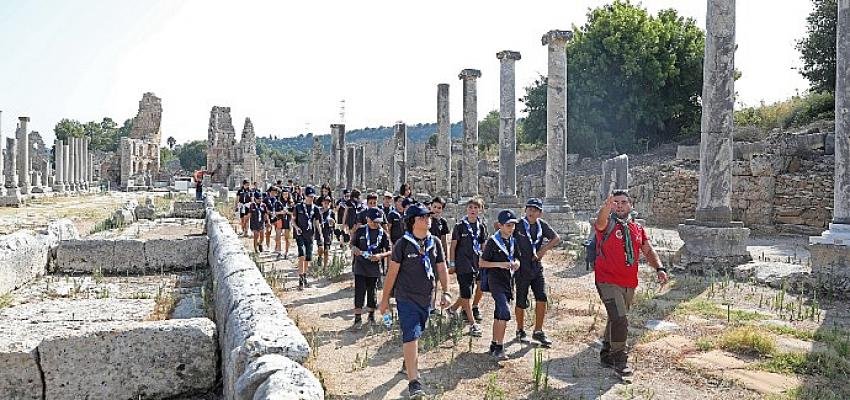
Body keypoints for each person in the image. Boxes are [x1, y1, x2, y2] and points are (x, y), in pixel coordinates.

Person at [379, 203, 451, 399]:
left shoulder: (434, 242)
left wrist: (447, 292)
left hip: (427, 299)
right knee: (410, 334)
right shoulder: (403, 244)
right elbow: (392, 273)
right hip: (406, 298)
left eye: (428, 216)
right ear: (412, 221)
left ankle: (407, 362)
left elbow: (442, 268)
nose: (427, 219)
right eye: (422, 217)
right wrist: (384, 300)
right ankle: (414, 382)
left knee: (417, 334)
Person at [594, 190, 668, 377]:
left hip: (629, 282)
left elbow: (648, 250)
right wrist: (605, 207)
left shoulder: (637, 228)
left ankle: (606, 352)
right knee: (620, 319)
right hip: (607, 280)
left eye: (623, 202)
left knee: (615, 317)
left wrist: (659, 268)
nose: (619, 205)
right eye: (616, 202)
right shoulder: (607, 224)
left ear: (631, 205)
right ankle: (620, 359)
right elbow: (600, 222)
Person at [513, 198, 561, 346]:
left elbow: (556, 238)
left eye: (535, 210)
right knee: (521, 299)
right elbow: (502, 231)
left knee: (542, 297)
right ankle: (520, 330)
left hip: (536, 267)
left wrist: (542, 251)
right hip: (522, 268)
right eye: (529, 209)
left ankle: (538, 331)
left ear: (540, 213)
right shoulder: (518, 225)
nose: (531, 212)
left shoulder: (542, 225)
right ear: (525, 210)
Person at [479, 209, 522, 360]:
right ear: (500, 226)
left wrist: (516, 263)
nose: (511, 228)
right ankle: (500, 347)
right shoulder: (493, 241)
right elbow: (482, 262)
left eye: (513, 225)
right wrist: (500, 264)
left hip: (508, 281)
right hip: (495, 280)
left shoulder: (512, 241)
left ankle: (493, 344)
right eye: (508, 225)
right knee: (504, 312)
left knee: (498, 313)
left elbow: (517, 257)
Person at [447, 198, 487, 337]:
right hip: (463, 264)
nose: (473, 210)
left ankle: (452, 309)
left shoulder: (481, 227)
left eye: (476, 208)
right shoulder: (460, 226)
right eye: (470, 207)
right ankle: (472, 324)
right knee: (466, 293)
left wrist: (485, 260)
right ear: (467, 209)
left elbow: (483, 245)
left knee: (475, 289)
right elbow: (453, 246)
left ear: (480, 210)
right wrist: (452, 263)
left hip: (477, 263)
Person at [350, 207, 391, 328]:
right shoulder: (361, 230)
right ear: (367, 219)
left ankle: (371, 316)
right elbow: (352, 244)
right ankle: (357, 318)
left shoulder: (383, 233)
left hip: (374, 267)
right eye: (373, 221)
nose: (375, 224)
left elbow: (389, 251)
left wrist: (380, 256)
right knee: (359, 291)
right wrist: (354, 249)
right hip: (360, 266)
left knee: (372, 291)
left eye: (378, 221)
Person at [293, 186, 322, 290]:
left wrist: (320, 235)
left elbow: (317, 222)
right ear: (305, 196)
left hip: (310, 235)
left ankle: (304, 274)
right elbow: (293, 220)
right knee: (302, 254)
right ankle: (300, 278)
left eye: (312, 197)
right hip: (300, 234)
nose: (311, 198)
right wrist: (296, 228)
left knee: (307, 257)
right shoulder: (298, 207)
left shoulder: (316, 209)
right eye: (309, 196)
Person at [265, 187, 287, 257]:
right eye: (273, 192)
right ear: (270, 192)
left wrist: (276, 213)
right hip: (268, 218)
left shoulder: (277, 200)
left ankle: (276, 247)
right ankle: (268, 246)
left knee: (277, 234)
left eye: (275, 192)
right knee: (268, 232)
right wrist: (269, 212)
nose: (274, 193)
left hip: (276, 218)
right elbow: (264, 208)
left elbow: (282, 209)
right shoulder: (266, 199)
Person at [316, 195, 336, 267]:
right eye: (325, 202)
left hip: (328, 233)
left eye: (328, 203)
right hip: (320, 232)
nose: (326, 204)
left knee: (326, 251)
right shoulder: (318, 211)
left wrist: (332, 221)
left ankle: (325, 267)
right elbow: (315, 221)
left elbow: (334, 223)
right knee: (320, 248)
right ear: (322, 203)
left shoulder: (331, 212)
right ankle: (320, 257)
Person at [279, 188, 295, 259]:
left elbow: (294, 213)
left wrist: (287, 212)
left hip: (288, 220)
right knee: (278, 236)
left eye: (286, 194)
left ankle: (286, 252)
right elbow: (276, 211)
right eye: (283, 194)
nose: (285, 195)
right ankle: (279, 251)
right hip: (280, 220)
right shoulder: (280, 202)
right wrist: (281, 212)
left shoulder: (291, 203)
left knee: (287, 237)